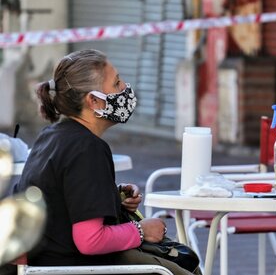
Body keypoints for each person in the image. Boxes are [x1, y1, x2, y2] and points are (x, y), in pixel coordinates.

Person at [14, 49, 199, 275]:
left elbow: (62, 202)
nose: (125, 89)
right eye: (117, 83)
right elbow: (90, 240)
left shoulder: (51, 136)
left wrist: (112, 198)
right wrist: (141, 230)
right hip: (70, 268)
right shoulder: (87, 148)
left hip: (42, 265)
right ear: (94, 101)